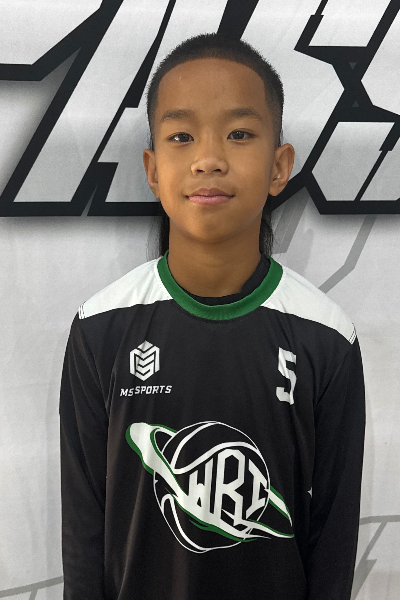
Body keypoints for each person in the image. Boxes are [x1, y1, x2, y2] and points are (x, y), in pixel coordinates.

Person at [59, 33, 365, 600]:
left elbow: (334, 538)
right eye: (181, 136)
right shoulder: (100, 328)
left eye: (239, 134)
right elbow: (84, 530)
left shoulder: (327, 337)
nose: (208, 158)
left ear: (279, 166)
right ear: (153, 169)